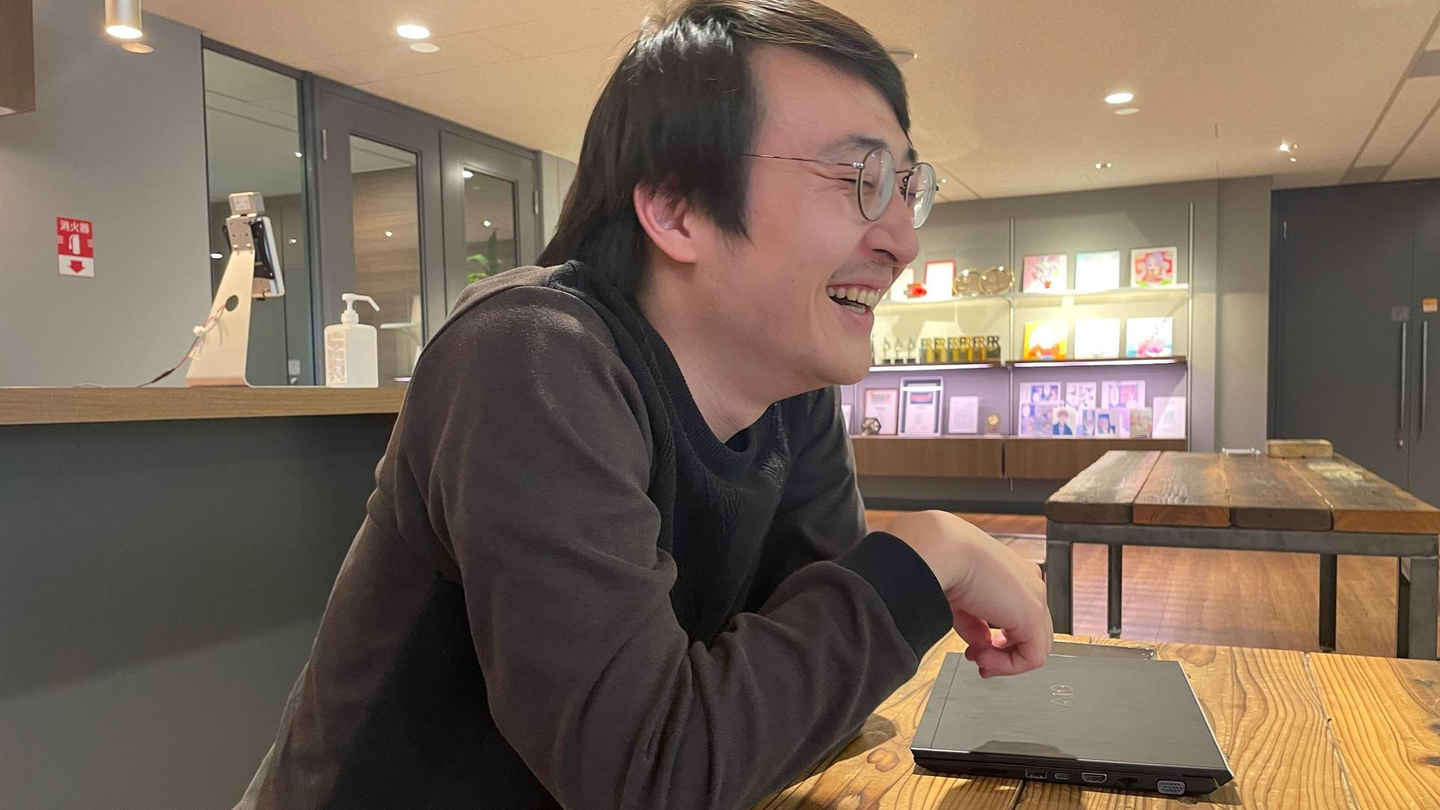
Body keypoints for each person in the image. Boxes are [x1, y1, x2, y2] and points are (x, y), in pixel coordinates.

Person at [235, 2, 1051, 808]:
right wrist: (926, 553)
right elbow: (647, 773)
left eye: (906, 186)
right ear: (675, 209)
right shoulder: (529, 353)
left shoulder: (789, 395)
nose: (903, 240)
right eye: (859, 180)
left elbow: (796, 705)